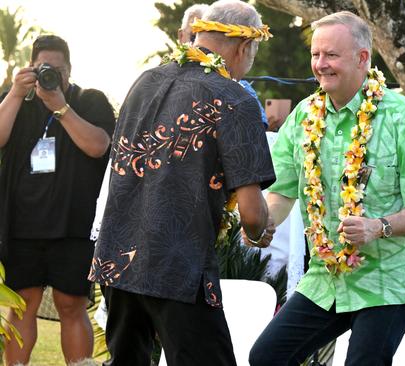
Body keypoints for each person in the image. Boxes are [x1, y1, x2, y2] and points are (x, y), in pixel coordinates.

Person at [249, 11, 405, 366]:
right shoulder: (304, 117)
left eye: (331, 55)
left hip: (391, 281)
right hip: (328, 276)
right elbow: (282, 191)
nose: (320, 64)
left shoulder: (403, 117)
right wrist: (264, 223)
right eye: (315, 55)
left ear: (362, 58)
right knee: (267, 356)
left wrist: (376, 227)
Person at [88, 1, 275, 365]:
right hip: (179, 266)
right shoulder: (234, 98)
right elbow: (252, 213)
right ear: (244, 46)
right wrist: (256, 230)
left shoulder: (145, 81)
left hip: (117, 259)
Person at [0, 35, 115, 365]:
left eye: (58, 69)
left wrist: (60, 107)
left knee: (71, 304)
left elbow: (98, 146)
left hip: (73, 224)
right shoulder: (16, 100)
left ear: (70, 69)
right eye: (42, 68)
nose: (51, 75)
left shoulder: (90, 100)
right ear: (30, 67)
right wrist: (16, 91)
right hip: (21, 224)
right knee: (22, 303)